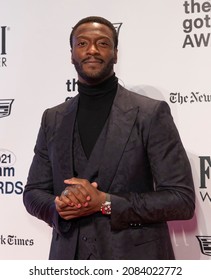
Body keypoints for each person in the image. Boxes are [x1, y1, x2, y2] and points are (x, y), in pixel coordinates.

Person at [23, 16, 195, 260]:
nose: (92, 50)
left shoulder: (150, 113)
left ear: (115, 53)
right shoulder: (53, 118)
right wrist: (58, 207)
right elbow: (33, 193)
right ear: (71, 53)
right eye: (82, 43)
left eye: (102, 43)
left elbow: (181, 200)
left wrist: (106, 203)